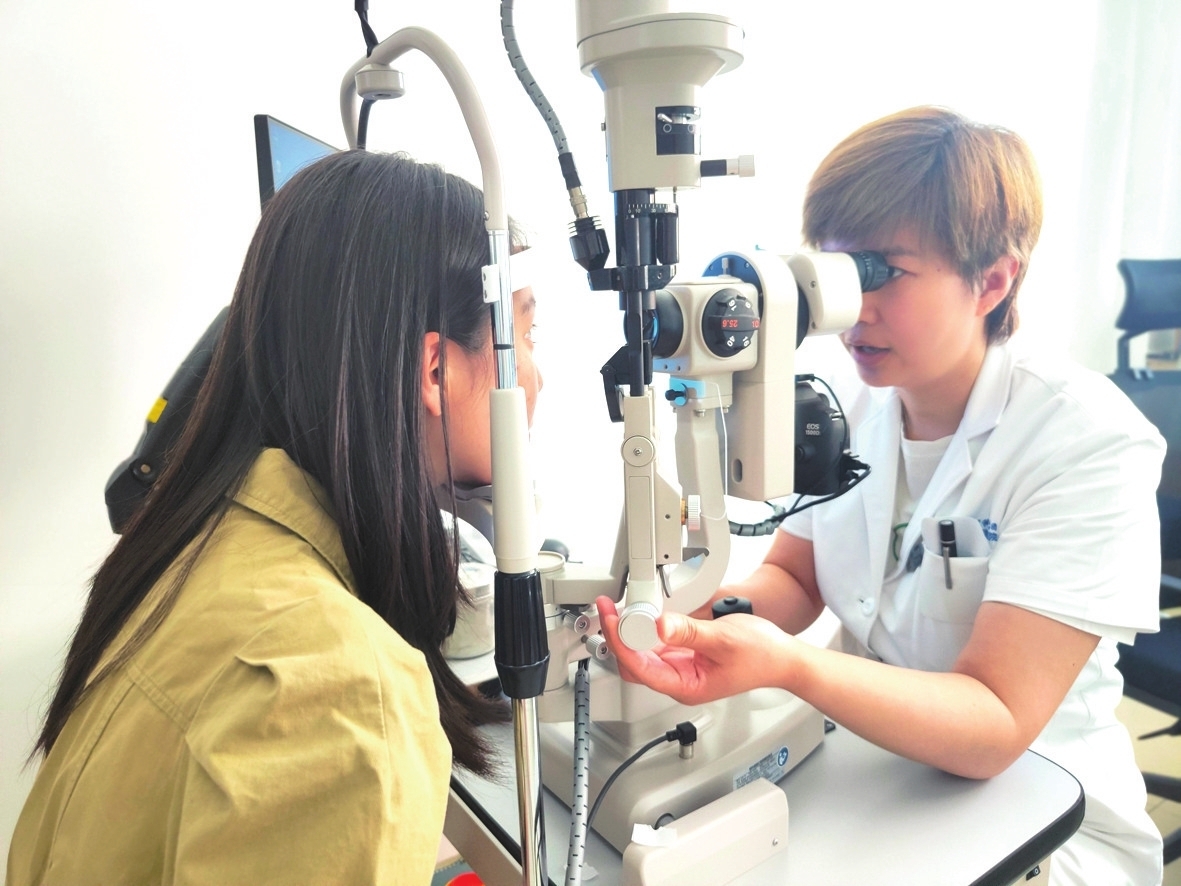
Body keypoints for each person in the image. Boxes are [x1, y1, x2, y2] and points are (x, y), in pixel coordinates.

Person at [597, 106, 1165, 884]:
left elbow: (996, 721)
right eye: (834, 273)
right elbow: (794, 578)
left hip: (1037, 814)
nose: (850, 310)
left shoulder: (1085, 440)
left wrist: (788, 666)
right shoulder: (856, 399)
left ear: (992, 280)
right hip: (874, 770)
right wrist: (695, 616)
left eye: (881, 273)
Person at [7, 150, 543, 885]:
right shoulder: (340, 692)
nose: (537, 377)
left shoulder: (194, 546)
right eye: (526, 339)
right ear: (434, 371)